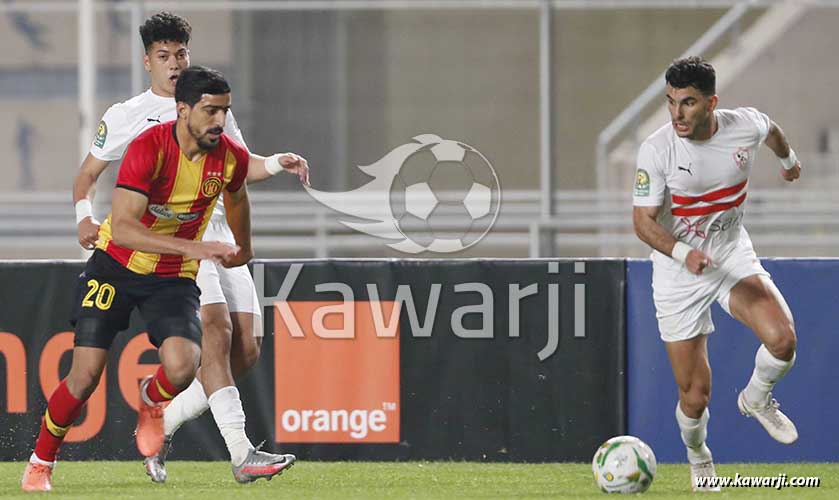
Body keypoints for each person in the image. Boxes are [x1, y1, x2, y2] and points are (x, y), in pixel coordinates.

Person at [72, 12, 307, 484]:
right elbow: (86, 176)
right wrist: (84, 217)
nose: (174, 63)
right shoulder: (127, 116)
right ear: (147, 61)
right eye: (164, 55)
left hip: (219, 232)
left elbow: (242, 168)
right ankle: (243, 456)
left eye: (181, 53)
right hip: (179, 242)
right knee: (215, 334)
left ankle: (163, 416)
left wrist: (277, 163)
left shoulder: (211, 106)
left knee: (248, 350)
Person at [22, 65, 257, 492]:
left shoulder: (230, 156)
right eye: (210, 111)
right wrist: (198, 248)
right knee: (85, 375)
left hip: (171, 276)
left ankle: (153, 399)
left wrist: (244, 249)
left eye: (224, 111)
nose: (219, 121)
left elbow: (238, 197)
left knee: (183, 367)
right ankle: (41, 460)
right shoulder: (149, 148)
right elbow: (127, 228)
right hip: (117, 264)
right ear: (182, 110)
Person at [632, 56, 801, 492]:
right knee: (695, 397)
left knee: (783, 341)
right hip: (677, 271)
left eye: (687, 103)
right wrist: (683, 252)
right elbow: (643, 223)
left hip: (728, 253)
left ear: (711, 103)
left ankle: (756, 399)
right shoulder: (657, 149)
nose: (676, 114)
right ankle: (698, 455)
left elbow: (772, 131)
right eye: (670, 102)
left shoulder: (743, 125)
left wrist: (789, 162)